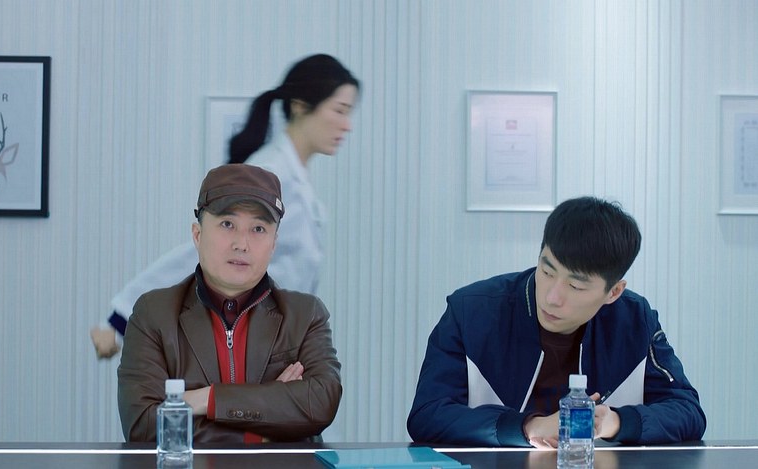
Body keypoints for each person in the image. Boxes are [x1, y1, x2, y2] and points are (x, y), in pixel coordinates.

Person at [91, 53, 359, 359]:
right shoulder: (271, 174)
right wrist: (120, 320)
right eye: (339, 110)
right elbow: (206, 249)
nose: (347, 125)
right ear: (300, 106)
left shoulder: (295, 179)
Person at [406, 196, 706, 447]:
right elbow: (428, 415)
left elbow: (687, 411)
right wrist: (527, 427)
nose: (552, 297)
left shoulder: (635, 320)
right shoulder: (472, 311)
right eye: (547, 271)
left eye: (575, 286)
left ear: (613, 292)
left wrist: (615, 422)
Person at [117, 164, 342, 443]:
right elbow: (143, 425)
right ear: (197, 235)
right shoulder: (154, 314)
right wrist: (262, 430)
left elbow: (320, 404)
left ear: (273, 244)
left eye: (258, 228)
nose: (242, 244)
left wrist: (207, 399)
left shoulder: (305, 315)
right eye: (227, 224)